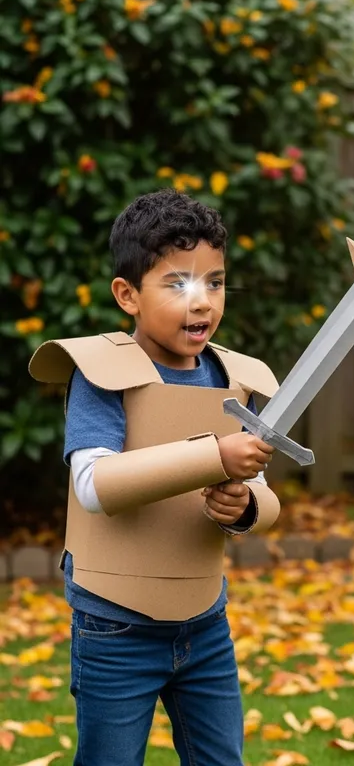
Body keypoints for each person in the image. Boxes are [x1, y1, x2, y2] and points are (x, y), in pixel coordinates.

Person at [29, 189, 281, 766]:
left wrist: (242, 504)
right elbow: (95, 486)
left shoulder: (233, 376)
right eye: (178, 285)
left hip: (204, 619)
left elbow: (262, 496)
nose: (202, 303)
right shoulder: (101, 373)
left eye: (214, 283)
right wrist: (214, 457)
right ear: (127, 295)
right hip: (114, 624)